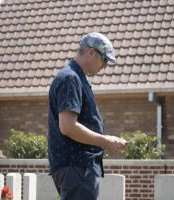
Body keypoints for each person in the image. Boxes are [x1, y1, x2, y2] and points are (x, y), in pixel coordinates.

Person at [48, 32, 127, 200]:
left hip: (76, 168)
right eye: (104, 59)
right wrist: (105, 141)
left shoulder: (75, 77)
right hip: (77, 167)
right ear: (91, 52)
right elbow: (68, 126)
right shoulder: (71, 78)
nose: (105, 66)